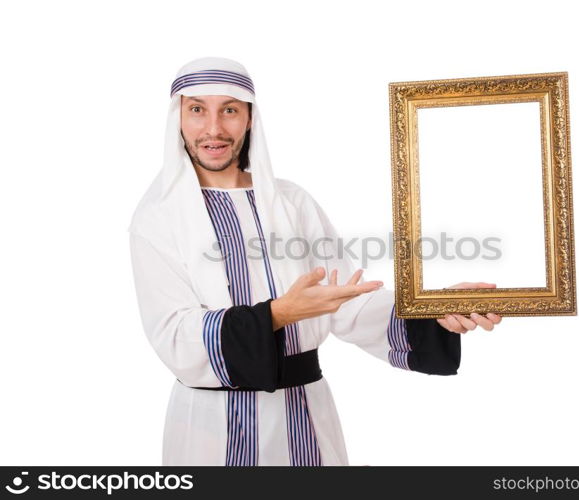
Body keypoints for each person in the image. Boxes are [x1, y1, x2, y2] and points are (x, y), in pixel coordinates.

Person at [128, 57, 502, 466]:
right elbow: (175, 336)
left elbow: (348, 303)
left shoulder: (291, 203)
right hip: (209, 430)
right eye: (197, 109)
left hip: (306, 417)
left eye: (230, 110)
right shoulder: (157, 216)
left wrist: (436, 309)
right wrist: (278, 313)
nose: (214, 128)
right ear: (177, 118)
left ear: (250, 118)